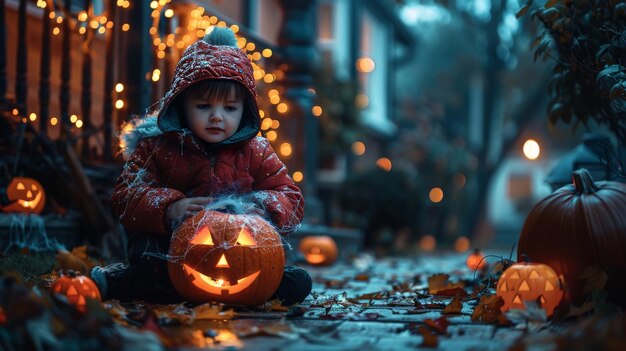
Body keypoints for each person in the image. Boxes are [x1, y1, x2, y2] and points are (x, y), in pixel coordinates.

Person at [91, 27, 311, 306]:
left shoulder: (256, 151)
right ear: (182, 105)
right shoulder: (157, 147)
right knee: (151, 262)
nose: (217, 117)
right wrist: (170, 208)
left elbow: (290, 196)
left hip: (239, 252)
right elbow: (126, 195)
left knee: (296, 282)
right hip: (171, 250)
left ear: (246, 110)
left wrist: (260, 208)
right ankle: (118, 282)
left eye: (230, 108)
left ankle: (203, 290)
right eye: (204, 106)